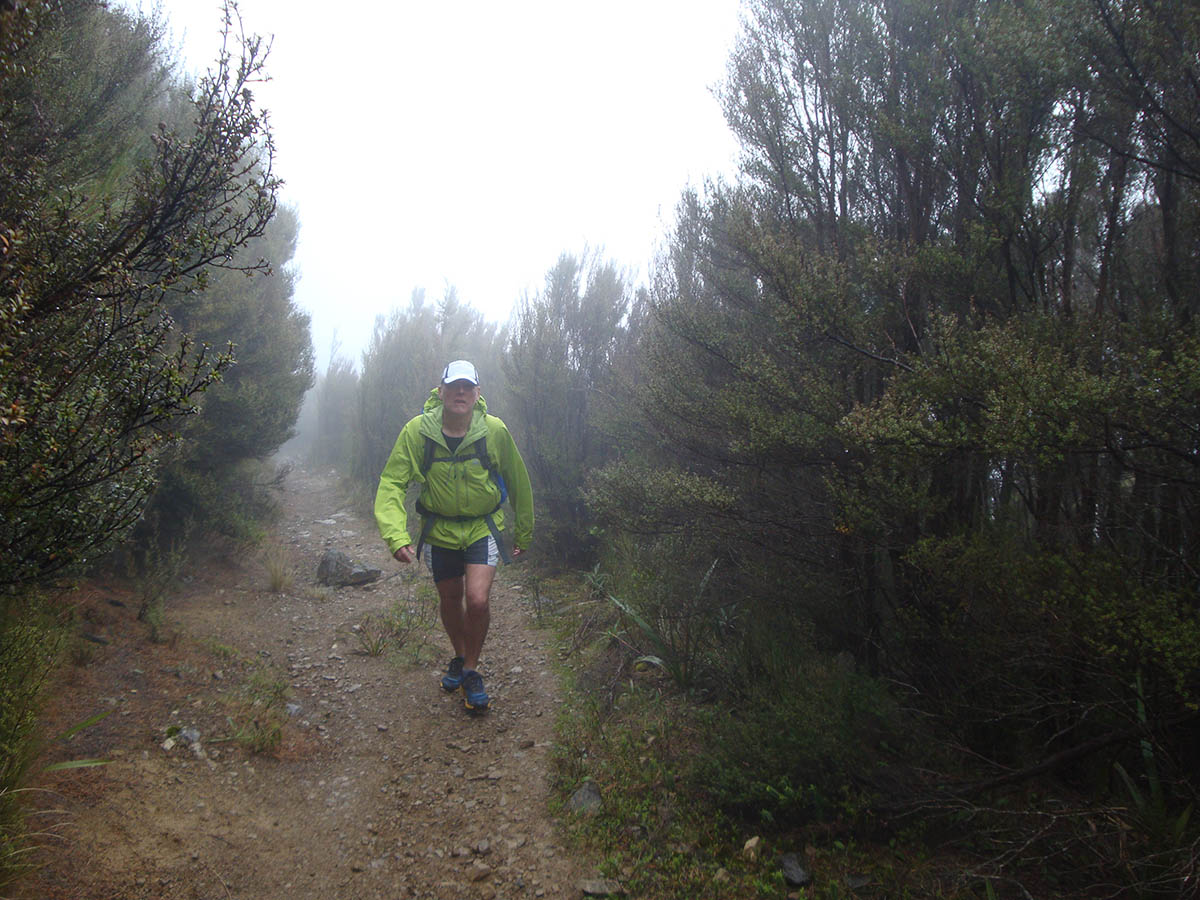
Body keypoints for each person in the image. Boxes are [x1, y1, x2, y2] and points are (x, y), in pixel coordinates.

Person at [374, 360, 533, 713]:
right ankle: (460, 657)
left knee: (476, 600)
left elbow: (518, 481)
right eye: (454, 386)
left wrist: (524, 530)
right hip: (439, 530)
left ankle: (471, 670)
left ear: (477, 394)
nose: (460, 392)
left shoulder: (494, 431)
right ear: (441, 391)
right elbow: (392, 483)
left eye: (467, 387)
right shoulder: (417, 432)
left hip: (482, 526)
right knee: (450, 598)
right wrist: (396, 534)